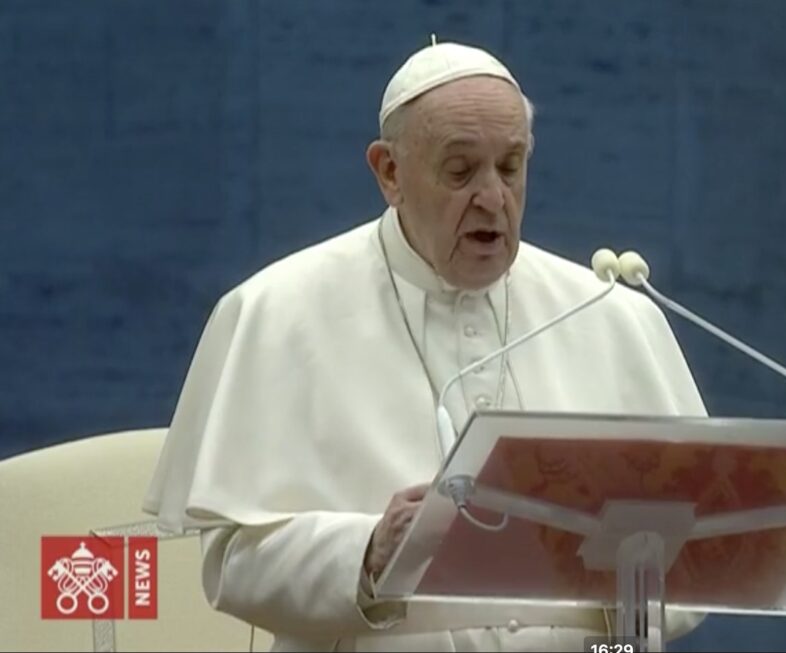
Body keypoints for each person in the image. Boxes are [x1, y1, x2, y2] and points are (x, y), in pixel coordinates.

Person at [143, 39, 708, 652]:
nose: (492, 198)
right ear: (390, 172)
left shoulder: (608, 314)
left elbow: (702, 556)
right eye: (461, 171)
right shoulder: (277, 312)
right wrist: (369, 552)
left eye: (511, 167)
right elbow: (231, 563)